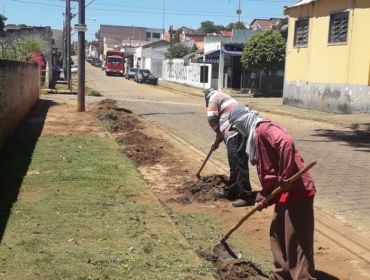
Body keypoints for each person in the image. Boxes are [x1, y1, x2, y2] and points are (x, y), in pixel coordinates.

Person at [229, 105, 316, 280]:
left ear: (242, 122)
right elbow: (270, 176)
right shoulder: (256, 138)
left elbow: (286, 142)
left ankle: (302, 277)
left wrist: (285, 176)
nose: (238, 132)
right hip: (285, 194)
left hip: (298, 192)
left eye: (237, 127)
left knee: (296, 242)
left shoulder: (263, 129)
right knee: (277, 233)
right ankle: (280, 275)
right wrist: (264, 199)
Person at [204, 89, 255, 207]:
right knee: (235, 163)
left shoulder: (213, 98)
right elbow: (221, 128)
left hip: (235, 131)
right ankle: (232, 191)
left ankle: (246, 196)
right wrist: (217, 141)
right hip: (238, 130)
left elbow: (212, 118)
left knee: (238, 162)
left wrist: (218, 133)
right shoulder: (222, 97)